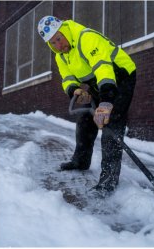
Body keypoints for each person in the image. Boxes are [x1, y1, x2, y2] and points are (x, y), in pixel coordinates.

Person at [37, 16, 137, 195]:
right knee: (85, 118)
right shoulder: (61, 56)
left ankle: (108, 181)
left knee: (111, 121)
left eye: (58, 39)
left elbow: (103, 68)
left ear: (64, 31)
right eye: (52, 43)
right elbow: (67, 78)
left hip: (119, 75)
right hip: (97, 82)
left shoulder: (86, 37)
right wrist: (74, 90)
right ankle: (80, 161)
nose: (58, 46)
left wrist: (106, 101)